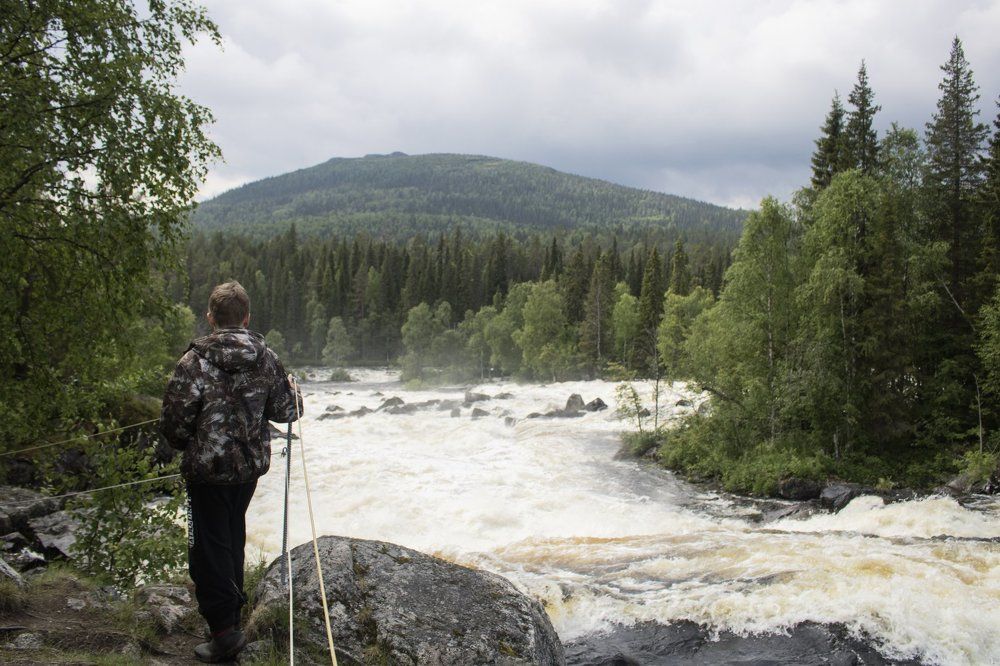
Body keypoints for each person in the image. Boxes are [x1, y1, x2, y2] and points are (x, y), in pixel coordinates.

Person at [159, 281, 302, 663]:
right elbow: (288, 413)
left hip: (206, 472)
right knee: (231, 536)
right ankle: (230, 619)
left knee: (208, 548)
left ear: (210, 317)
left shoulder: (193, 362)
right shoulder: (267, 358)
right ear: (246, 317)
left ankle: (224, 632)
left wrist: (189, 440)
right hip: (248, 471)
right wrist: (294, 390)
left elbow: (173, 426)